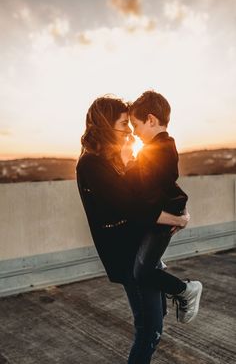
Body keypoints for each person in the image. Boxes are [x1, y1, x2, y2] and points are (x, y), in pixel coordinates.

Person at [76, 96, 190, 364]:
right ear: (105, 125)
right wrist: (176, 220)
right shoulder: (91, 165)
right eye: (123, 124)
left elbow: (151, 190)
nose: (128, 130)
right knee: (149, 329)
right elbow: (131, 206)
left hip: (138, 246)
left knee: (156, 314)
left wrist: (180, 210)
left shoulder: (113, 159)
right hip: (126, 255)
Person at [126, 90, 203, 324]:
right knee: (145, 265)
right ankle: (162, 304)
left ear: (151, 120)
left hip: (163, 216)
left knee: (142, 271)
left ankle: (186, 289)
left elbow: (144, 195)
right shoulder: (160, 147)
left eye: (136, 125)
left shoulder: (159, 150)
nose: (134, 132)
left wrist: (128, 161)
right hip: (164, 214)